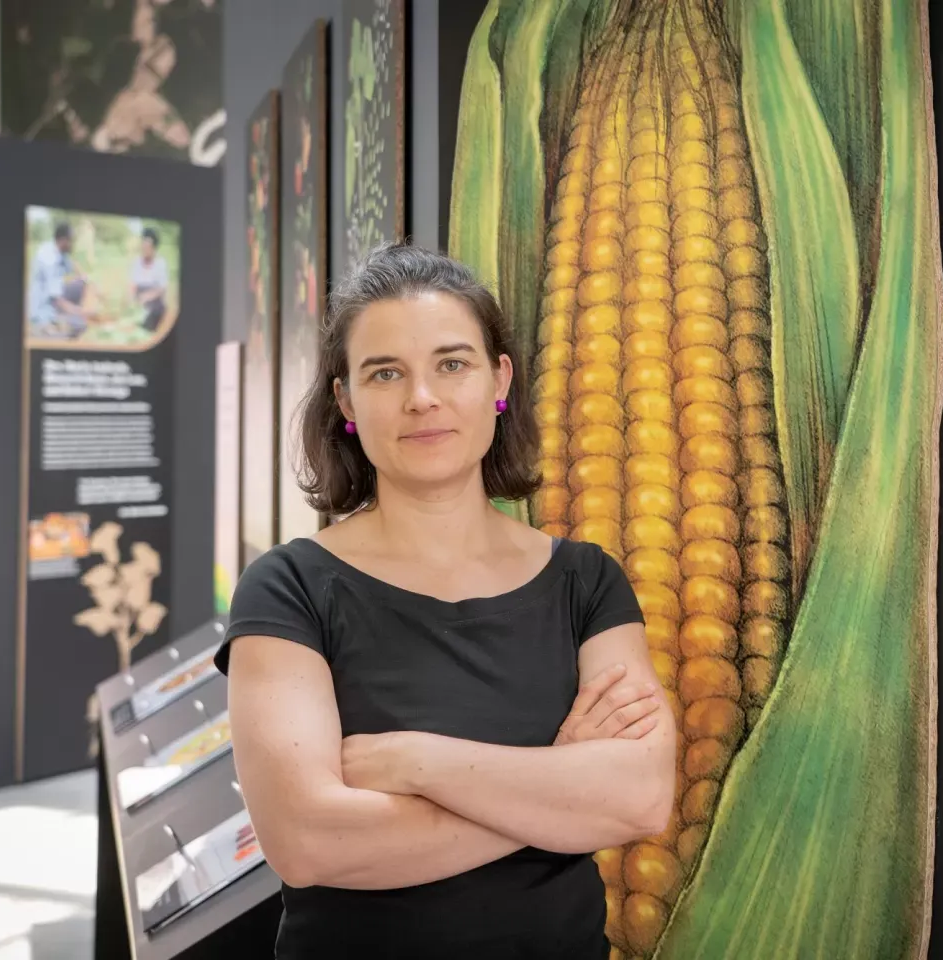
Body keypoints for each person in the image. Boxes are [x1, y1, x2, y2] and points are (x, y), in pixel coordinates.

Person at [219, 242, 676, 959]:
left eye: (451, 363)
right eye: (385, 372)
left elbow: (641, 797)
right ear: (345, 400)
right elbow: (309, 843)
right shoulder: (289, 588)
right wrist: (559, 789)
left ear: (499, 378)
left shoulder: (587, 582)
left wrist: (417, 762)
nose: (421, 398)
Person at [27, 221, 89, 339]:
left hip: (53, 300)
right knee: (80, 325)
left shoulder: (58, 250)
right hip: (43, 311)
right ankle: (43, 330)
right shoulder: (50, 260)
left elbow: (72, 266)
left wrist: (85, 279)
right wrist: (80, 311)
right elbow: (57, 300)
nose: (73, 244)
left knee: (81, 283)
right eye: (71, 241)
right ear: (63, 240)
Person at [130, 226, 170, 332]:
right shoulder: (137, 262)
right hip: (139, 298)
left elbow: (162, 288)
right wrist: (132, 299)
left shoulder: (160, 263)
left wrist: (147, 296)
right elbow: (133, 285)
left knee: (155, 313)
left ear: (153, 248)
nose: (145, 249)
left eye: (148, 247)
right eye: (143, 246)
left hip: (154, 299)